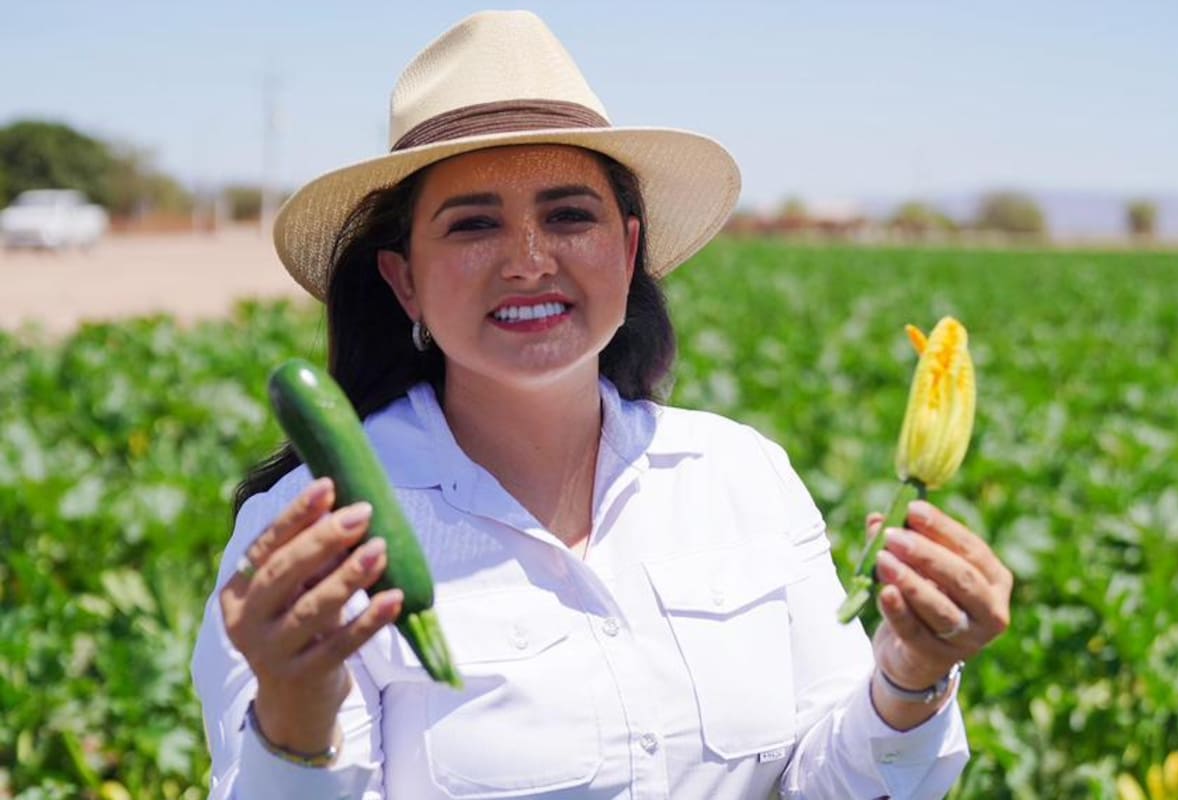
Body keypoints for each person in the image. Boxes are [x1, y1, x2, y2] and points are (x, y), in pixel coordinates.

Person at [191, 10, 1012, 800]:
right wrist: (296, 714)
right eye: (473, 225)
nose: (527, 260)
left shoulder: (741, 477)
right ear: (404, 279)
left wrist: (911, 674)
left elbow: (828, 786)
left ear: (627, 250)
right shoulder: (310, 537)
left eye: (568, 216)